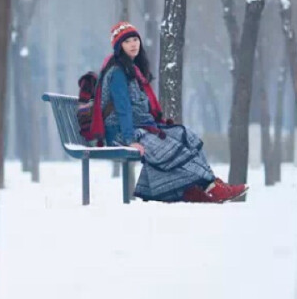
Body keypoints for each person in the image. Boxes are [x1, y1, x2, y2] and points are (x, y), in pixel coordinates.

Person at [91, 21, 248, 204]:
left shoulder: (133, 70)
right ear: (119, 47)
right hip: (121, 132)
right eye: (127, 42)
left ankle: (194, 189)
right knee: (167, 148)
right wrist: (130, 140)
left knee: (185, 135)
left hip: (141, 127)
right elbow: (123, 109)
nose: (133, 44)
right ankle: (211, 187)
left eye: (135, 39)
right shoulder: (117, 72)